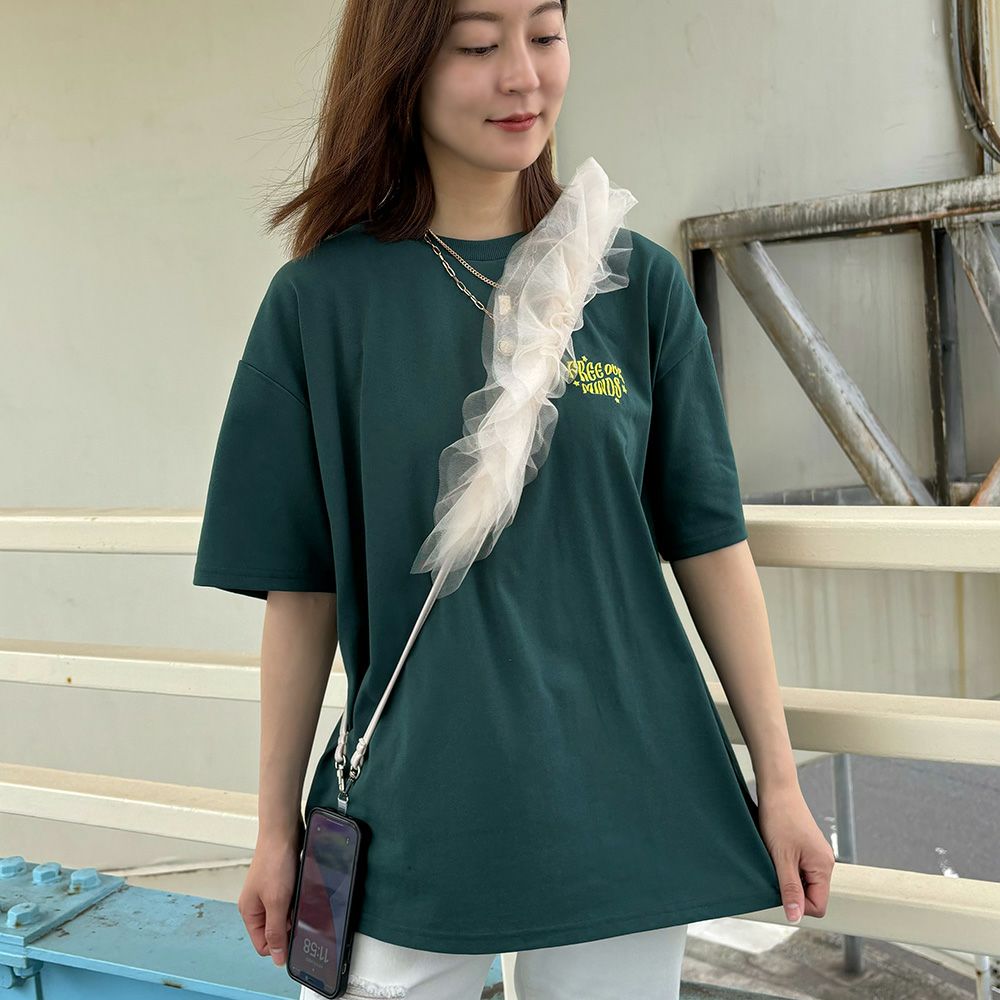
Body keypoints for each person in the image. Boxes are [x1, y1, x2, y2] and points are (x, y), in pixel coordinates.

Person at [192, 0, 836, 997]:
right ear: (403, 64)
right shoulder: (321, 302)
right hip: (418, 816)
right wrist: (274, 832)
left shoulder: (635, 284)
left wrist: (781, 782)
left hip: (627, 805)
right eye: (478, 45)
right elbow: (302, 592)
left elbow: (709, 544)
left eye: (544, 34)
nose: (523, 76)